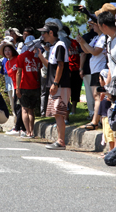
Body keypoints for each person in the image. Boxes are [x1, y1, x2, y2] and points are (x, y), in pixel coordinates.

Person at [36, 21, 70, 150]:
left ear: (51, 33)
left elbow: (61, 65)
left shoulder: (60, 45)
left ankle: (61, 141)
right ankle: (59, 140)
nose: (42, 35)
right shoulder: (53, 47)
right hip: (56, 85)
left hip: (60, 85)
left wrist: (55, 83)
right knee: (57, 113)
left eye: (44, 32)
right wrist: (40, 56)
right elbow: (51, 66)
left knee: (59, 113)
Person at [76, 19, 107, 131]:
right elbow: (87, 51)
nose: (92, 27)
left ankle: (96, 121)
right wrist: (81, 42)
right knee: (96, 96)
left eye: (93, 24)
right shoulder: (96, 37)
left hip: (100, 69)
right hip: (94, 70)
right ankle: (96, 120)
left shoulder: (103, 37)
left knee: (98, 96)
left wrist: (83, 42)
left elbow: (95, 51)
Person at [16, 35, 42, 138]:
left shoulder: (21, 56)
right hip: (35, 86)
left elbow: (18, 73)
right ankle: (32, 132)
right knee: (31, 110)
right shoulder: (37, 56)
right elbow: (39, 70)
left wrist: (17, 88)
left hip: (24, 86)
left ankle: (27, 131)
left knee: (24, 109)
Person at [0, 41, 26, 136]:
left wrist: (18, 88)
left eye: (9, 50)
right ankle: (20, 128)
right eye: (5, 50)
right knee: (16, 107)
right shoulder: (7, 63)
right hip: (15, 86)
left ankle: (19, 128)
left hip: (22, 86)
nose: (7, 52)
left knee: (19, 107)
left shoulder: (17, 58)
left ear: (13, 51)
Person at [79, 19, 97, 119]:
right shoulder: (101, 36)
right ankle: (98, 114)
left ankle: (91, 113)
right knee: (97, 93)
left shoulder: (85, 37)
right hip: (98, 68)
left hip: (87, 68)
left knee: (89, 93)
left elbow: (83, 54)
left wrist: (81, 68)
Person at [62, 25, 82, 116]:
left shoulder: (74, 42)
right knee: (70, 90)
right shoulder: (62, 44)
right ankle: (69, 108)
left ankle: (73, 108)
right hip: (69, 69)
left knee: (75, 89)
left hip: (76, 69)